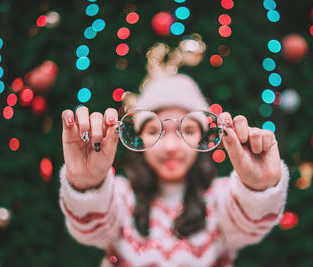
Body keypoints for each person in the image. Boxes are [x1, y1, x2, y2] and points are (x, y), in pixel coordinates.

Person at [59, 74, 290, 266]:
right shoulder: (118, 197)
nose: (170, 147)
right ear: (138, 140)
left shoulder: (222, 200)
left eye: (187, 131)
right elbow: (89, 229)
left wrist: (258, 188)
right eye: (154, 131)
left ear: (202, 138)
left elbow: (250, 225)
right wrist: (87, 186)